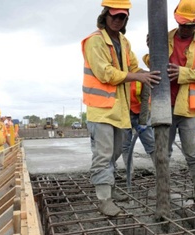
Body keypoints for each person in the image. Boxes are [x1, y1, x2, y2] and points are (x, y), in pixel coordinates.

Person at [81, 0, 161, 216]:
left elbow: (134, 67)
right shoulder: (95, 41)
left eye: (122, 17)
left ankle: (110, 190)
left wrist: (152, 60)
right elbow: (105, 72)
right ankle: (104, 199)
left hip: (119, 112)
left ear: (126, 19)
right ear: (105, 15)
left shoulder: (123, 42)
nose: (117, 20)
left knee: (114, 154)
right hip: (101, 110)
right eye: (114, 15)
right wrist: (137, 76)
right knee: (103, 155)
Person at [144, 0, 195, 204]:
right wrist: (152, 50)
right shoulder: (163, 38)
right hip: (163, 104)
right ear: (177, 18)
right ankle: (163, 194)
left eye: (190, 26)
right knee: (162, 153)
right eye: (183, 24)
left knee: (194, 153)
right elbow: (153, 65)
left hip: (188, 108)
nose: (186, 29)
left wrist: (182, 73)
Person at [117, 82, 155, 177]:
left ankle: (161, 171)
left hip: (141, 114)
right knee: (125, 146)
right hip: (124, 115)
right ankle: (130, 173)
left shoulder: (142, 76)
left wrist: (143, 121)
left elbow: (145, 99)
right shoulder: (120, 74)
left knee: (151, 144)